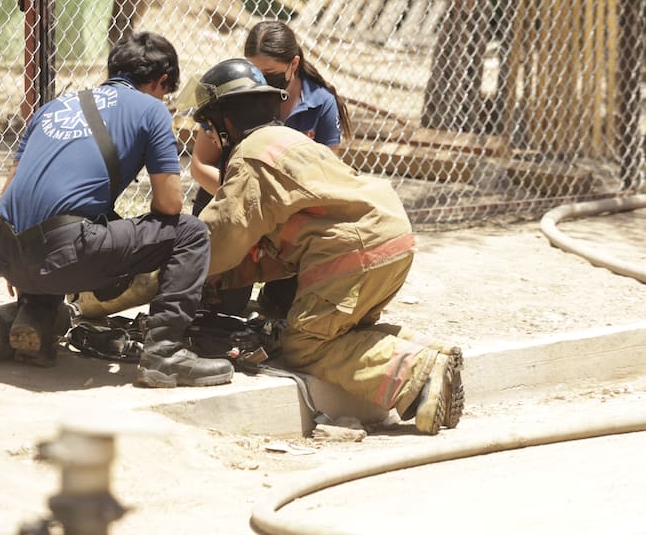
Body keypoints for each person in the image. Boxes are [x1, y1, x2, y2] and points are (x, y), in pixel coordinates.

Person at [189, 57, 463, 434]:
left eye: (207, 124)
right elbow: (276, 245)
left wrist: (160, 265)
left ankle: (418, 373)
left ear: (224, 120)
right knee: (336, 332)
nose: (207, 132)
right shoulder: (289, 142)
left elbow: (220, 236)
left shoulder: (252, 157)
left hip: (353, 252)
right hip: (390, 235)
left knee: (305, 344)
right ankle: (430, 353)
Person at [0, 31, 233, 388]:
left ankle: (36, 318)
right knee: (189, 232)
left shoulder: (52, 107)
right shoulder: (151, 110)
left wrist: (20, 260)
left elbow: (10, 192)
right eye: (166, 90)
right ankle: (163, 354)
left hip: (9, 250)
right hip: (62, 253)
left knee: (75, 218)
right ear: (161, 81)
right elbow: (170, 204)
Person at [190, 20, 351, 316]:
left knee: (286, 313)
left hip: (289, 215)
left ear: (294, 64)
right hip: (234, 204)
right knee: (220, 313)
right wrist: (247, 201)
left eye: (272, 75)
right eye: (255, 73)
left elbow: (325, 178)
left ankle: (277, 295)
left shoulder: (320, 102)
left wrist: (277, 210)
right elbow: (200, 165)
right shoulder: (231, 92)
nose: (261, 84)